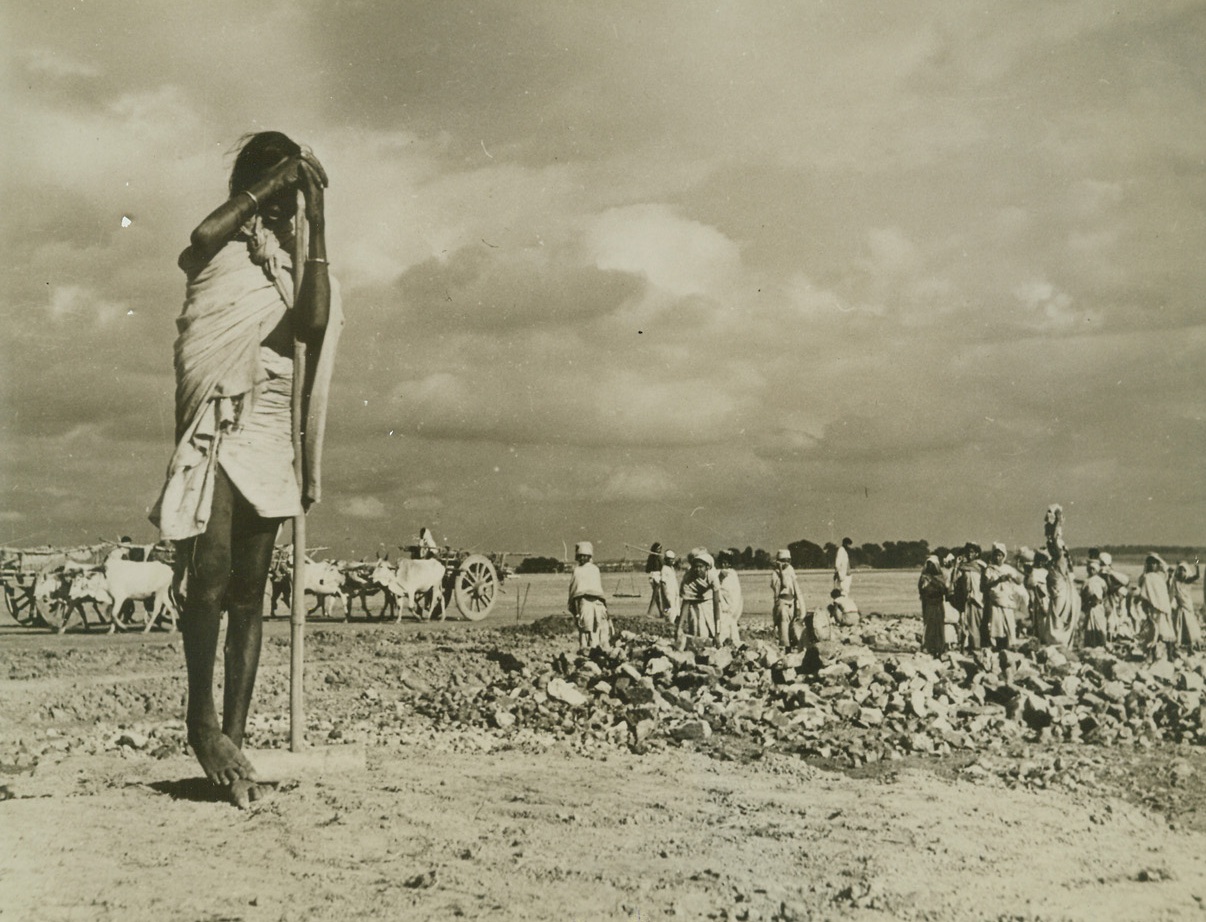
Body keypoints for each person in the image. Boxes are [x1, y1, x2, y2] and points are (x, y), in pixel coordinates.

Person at [150, 132, 340, 808]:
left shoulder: (300, 264)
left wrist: (316, 225)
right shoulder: (224, 252)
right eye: (283, 198)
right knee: (208, 570)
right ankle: (201, 721)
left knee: (251, 590)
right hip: (222, 411)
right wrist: (268, 187)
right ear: (260, 188)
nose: (287, 212)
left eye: (297, 202)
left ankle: (232, 740)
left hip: (270, 427)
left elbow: (312, 325)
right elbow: (201, 234)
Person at [677, 548, 722, 650]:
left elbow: (716, 605)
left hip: (709, 602)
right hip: (694, 604)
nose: (698, 570)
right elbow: (686, 603)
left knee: (716, 635)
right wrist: (679, 628)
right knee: (700, 632)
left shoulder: (713, 576)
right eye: (695, 567)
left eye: (701, 567)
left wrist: (717, 633)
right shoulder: (688, 579)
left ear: (707, 567)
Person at [568, 541, 610, 650]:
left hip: (596, 605)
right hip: (585, 604)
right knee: (588, 630)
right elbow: (576, 593)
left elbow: (598, 592)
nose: (582, 558)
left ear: (589, 556)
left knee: (593, 630)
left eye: (584, 556)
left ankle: (595, 652)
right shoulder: (578, 570)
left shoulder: (594, 569)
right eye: (580, 556)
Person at [982, 542, 1022, 652]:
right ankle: (999, 646)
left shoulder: (1008, 568)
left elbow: (1019, 581)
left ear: (1003, 556)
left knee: (1009, 623)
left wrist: (1011, 577)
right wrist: (998, 580)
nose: (997, 557)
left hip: (1007, 600)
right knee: (997, 624)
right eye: (995, 555)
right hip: (996, 599)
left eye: (1000, 555)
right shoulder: (989, 569)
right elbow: (986, 585)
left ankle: (1010, 646)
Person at [1136, 553, 1176, 662]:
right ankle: (1152, 655)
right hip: (1152, 609)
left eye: (1154, 563)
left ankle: (1170, 654)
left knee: (1167, 632)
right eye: (1150, 563)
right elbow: (1144, 594)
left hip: (1163, 609)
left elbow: (1166, 570)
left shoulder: (1160, 577)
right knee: (1153, 633)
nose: (1152, 565)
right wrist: (1146, 608)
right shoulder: (1146, 577)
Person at [953, 543, 987, 652]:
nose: (969, 554)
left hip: (980, 597)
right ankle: (974, 646)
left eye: (972, 551)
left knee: (981, 623)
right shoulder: (963, 567)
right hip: (968, 598)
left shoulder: (981, 566)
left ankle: (981, 645)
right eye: (968, 551)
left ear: (977, 553)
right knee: (969, 624)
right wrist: (956, 565)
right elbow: (954, 580)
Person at [918, 555, 950, 657]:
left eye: (933, 565)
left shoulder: (940, 577)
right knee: (929, 625)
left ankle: (939, 647)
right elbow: (922, 590)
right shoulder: (924, 577)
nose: (931, 567)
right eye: (929, 565)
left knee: (939, 626)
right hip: (929, 604)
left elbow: (945, 590)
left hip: (938, 604)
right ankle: (928, 646)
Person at [770, 549, 803, 648]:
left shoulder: (790, 569)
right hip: (782, 603)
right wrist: (780, 570)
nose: (786, 563)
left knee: (792, 627)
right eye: (784, 560)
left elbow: (795, 587)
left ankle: (792, 648)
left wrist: (798, 604)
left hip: (792, 601)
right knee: (783, 627)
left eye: (788, 560)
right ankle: (785, 648)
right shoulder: (775, 574)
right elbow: (783, 585)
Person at [1170, 559, 1202, 654]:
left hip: (1188, 606)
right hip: (1181, 608)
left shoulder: (1188, 581)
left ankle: (1192, 646)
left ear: (1186, 571)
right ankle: (1182, 645)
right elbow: (1171, 595)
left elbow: (1197, 576)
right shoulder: (1175, 582)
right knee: (1181, 626)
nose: (1181, 572)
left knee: (1190, 627)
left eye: (1183, 570)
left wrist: (1197, 564)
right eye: (1180, 570)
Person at [715, 550, 744, 646]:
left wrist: (732, 606)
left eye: (726, 563)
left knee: (731, 625)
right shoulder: (717, 573)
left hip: (731, 605)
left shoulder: (733, 574)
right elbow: (716, 587)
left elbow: (735, 591)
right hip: (722, 605)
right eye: (722, 562)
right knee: (723, 625)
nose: (724, 565)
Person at [1080, 559, 1109, 647]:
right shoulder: (1087, 581)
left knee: (1100, 625)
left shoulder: (1101, 581)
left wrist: (1100, 600)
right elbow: (1083, 593)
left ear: (1096, 570)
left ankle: (1101, 644)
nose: (1091, 571)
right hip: (1090, 607)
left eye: (1093, 569)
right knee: (1089, 626)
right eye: (1090, 569)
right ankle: (1091, 644)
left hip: (1098, 606)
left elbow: (1105, 591)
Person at [657, 549, 680, 620]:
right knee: (669, 612)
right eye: (670, 559)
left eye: (672, 559)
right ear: (666, 560)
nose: (672, 561)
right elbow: (662, 583)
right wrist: (665, 596)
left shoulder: (671, 568)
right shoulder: (664, 569)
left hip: (674, 593)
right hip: (668, 594)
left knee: (676, 611)